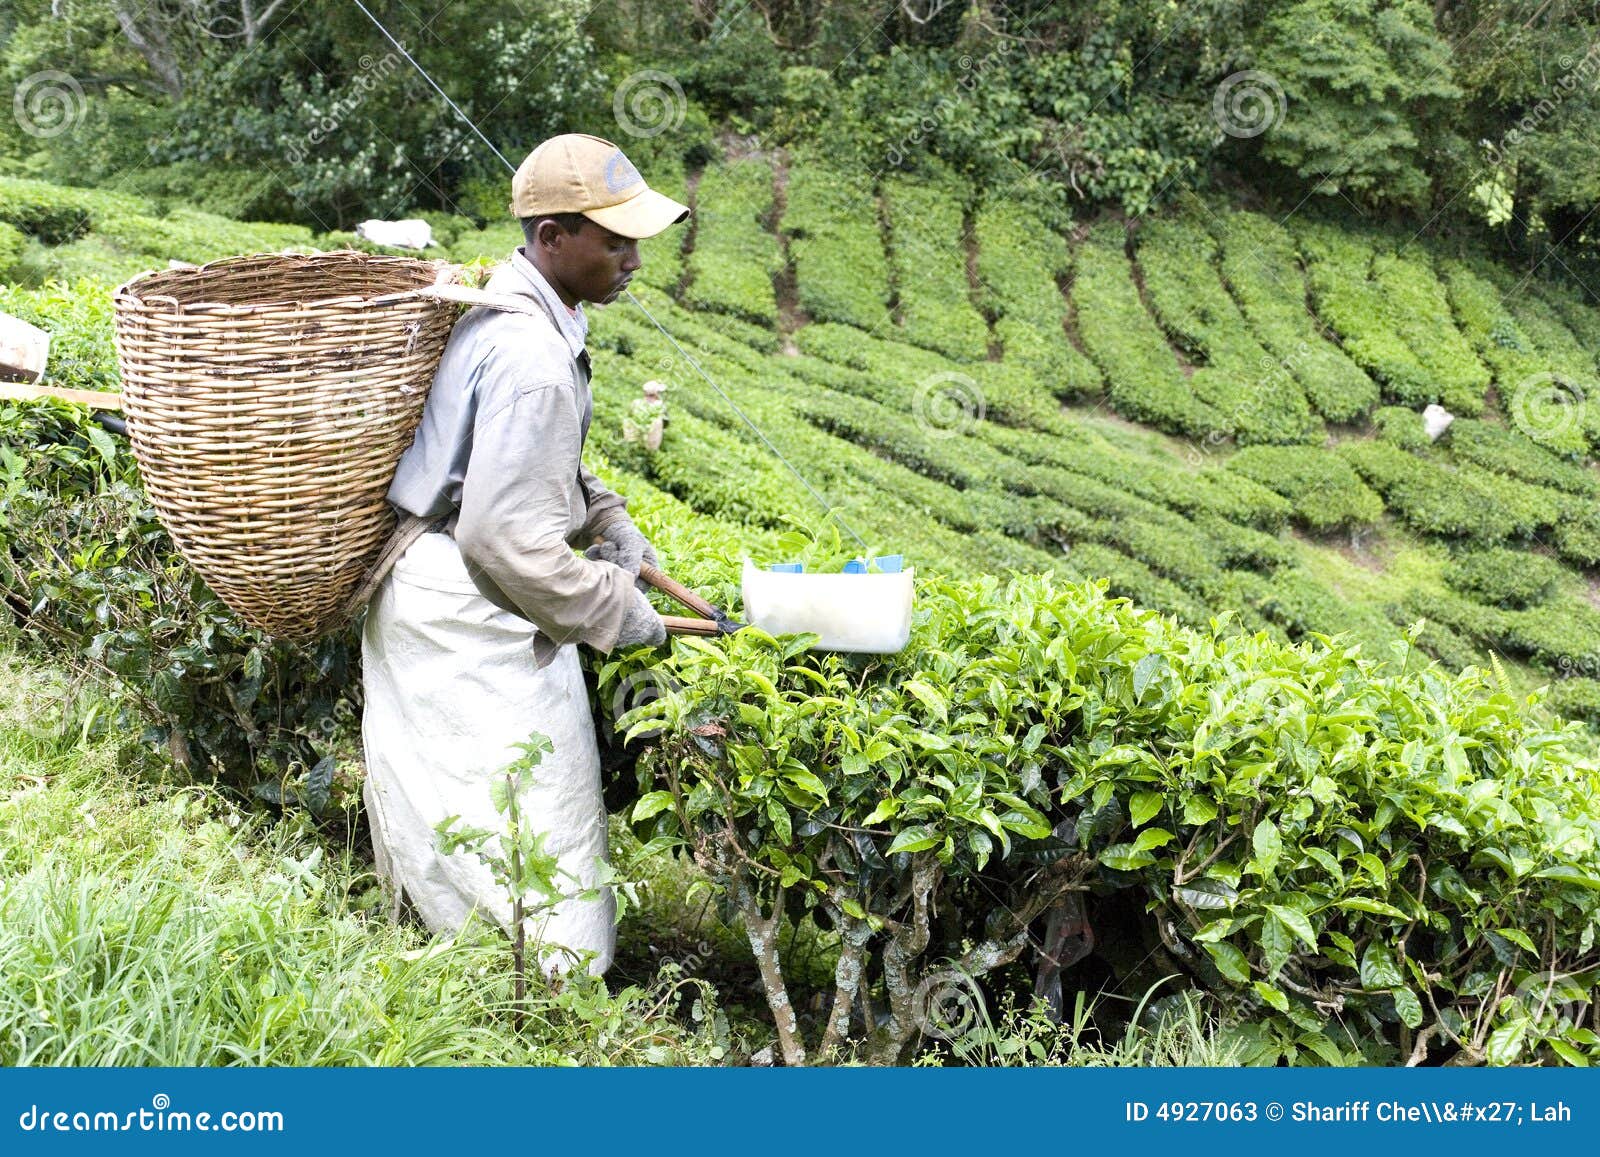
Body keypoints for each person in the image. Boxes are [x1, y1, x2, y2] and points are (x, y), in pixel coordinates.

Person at [360, 134, 689, 975]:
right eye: (615, 241)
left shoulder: (523, 310)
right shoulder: (531, 354)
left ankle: (470, 965)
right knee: (529, 801)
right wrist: (621, 609)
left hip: (434, 584)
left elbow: (521, 458)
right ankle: (550, 992)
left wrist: (606, 515)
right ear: (552, 237)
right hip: (466, 599)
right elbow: (501, 536)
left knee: (456, 798)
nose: (634, 261)